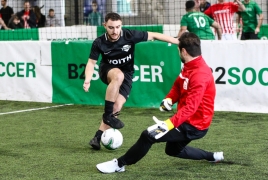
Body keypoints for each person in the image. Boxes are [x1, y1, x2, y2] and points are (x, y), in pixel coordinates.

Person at [96, 32, 224, 173]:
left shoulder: (200, 75)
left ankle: (119, 165)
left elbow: (190, 108)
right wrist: (169, 99)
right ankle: (212, 156)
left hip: (194, 125)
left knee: (148, 135)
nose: (178, 52)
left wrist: (167, 124)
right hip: (187, 120)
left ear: (183, 51)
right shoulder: (191, 64)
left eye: (178, 50)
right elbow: (178, 85)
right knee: (173, 150)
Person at [83, 12, 179, 150]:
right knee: (118, 76)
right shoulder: (99, 42)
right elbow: (91, 63)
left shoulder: (129, 35)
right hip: (108, 71)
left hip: (127, 74)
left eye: (118, 27)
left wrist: (178, 41)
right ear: (104, 25)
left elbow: (155, 35)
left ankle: (97, 138)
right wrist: (87, 80)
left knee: (117, 106)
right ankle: (107, 115)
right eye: (111, 27)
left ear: (121, 25)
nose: (115, 31)